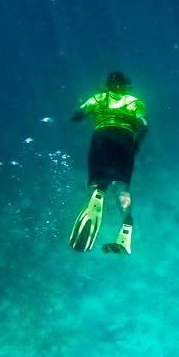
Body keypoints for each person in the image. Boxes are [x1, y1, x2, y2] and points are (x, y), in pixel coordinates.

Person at [68, 71, 149, 255]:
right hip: (125, 140)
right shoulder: (134, 102)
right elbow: (144, 124)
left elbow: (76, 116)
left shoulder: (98, 99)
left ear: (108, 85)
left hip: (101, 139)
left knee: (96, 181)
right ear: (126, 84)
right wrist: (136, 143)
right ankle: (127, 224)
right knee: (122, 187)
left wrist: (79, 106)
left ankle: (97, 193)